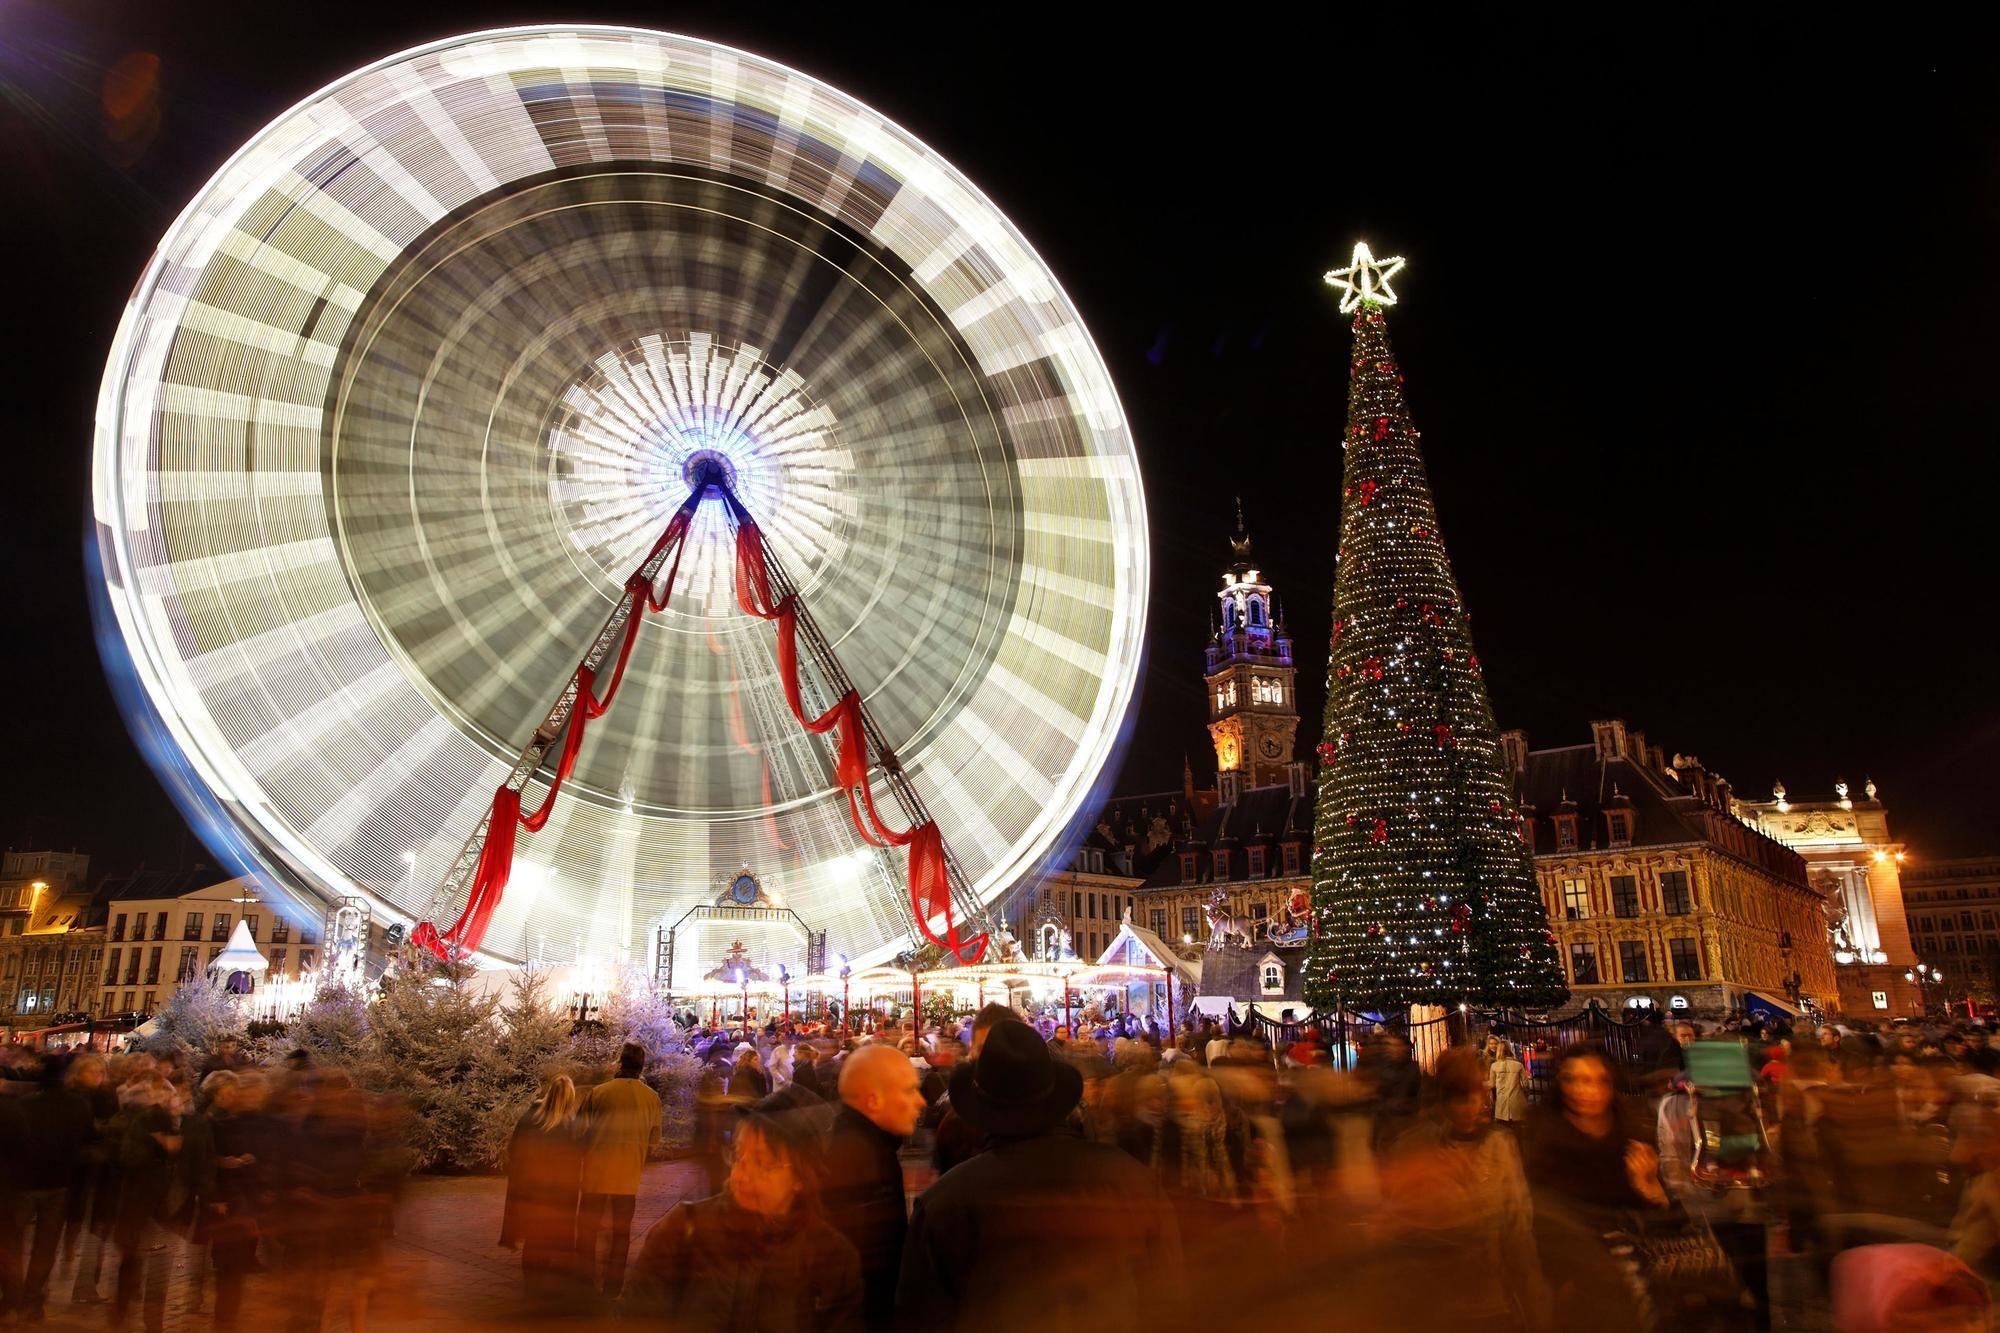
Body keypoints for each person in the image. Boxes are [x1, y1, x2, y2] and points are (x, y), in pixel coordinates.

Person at [898, 1019, 1186, 1331]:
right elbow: (1168, 1296)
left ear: (981, 1108)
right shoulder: (1131, 1180)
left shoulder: (944, 1202)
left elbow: (922, 1315)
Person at [629, 1094, 864, 1330]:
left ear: (801, 1177)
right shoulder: (683, 1231)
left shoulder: (833, 1259)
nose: (739, 1176)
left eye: (762, 1163)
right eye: (739, 1156)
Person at [1374, 1046, 1548, 1330]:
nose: (1468, 1107)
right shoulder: (1416, 1148)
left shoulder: (1500, 1146)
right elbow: (1401, 1232)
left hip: (1492, 1296)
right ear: (1442, 1101)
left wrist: (1535, 1302)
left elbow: (1518, 1228)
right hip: (1436, 1302)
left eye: (1473, 1097)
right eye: (1458, 1099)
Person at [1523, 1042, 1668, 1326]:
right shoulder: (1545, 1136)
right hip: (1577, 1278)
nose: (1585, 1091)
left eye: (1595, 1081)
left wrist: (1651, 1188)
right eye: (1574, 1080)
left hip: (1636, 1277)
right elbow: (1541, 1215)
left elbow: (1661, 1217)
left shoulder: (1633, 1135)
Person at [824, 1044, 923, 1328]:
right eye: (908, 1090)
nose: (920, 1101)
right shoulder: (858, 1161)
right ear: (873, 1100)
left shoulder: (873, 1149)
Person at [578, 1043, 662, 1300]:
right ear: (641, 1067)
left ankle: (583, 1281)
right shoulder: (651, 1098)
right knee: (621, 1232)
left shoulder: (599, 1093)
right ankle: (613, 1285)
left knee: (587, 1229)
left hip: (596, 1172)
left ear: (619, 1064)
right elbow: (654, 1141)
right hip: (628, 1176)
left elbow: (580, 1129)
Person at [501, 1074, 586, 1302]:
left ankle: (532, 1285)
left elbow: (514, 1150)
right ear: (569, 1099)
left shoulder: (531, 1118)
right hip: (557, 1196)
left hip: (531, 1192)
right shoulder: (570, 1127)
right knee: (550, 1241)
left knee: (533, 1240)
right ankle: (543, 1287)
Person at [1489, 1040, 1528, 1127]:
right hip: (1517, 1103)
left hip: (1502, 1105)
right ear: (1510, 1050)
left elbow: (1492, 1084)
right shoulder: (1518, 1065)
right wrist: (1525, 1095)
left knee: (1504, 1135)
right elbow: (1526, 1084)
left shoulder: (1494, 1066)